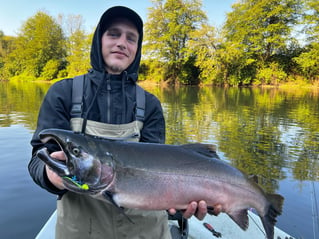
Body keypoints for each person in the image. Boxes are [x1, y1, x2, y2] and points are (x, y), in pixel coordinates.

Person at [28, 6, 209, 239]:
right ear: (99, 40)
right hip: (81, 231)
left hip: (145, 231)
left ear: (136, 48)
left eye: (131, 38)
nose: (122, 43)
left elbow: (160, 172)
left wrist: (183, 199)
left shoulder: (150, 104)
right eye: (114, 34)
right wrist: (53, 177)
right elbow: (36, 162)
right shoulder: (63, 93)